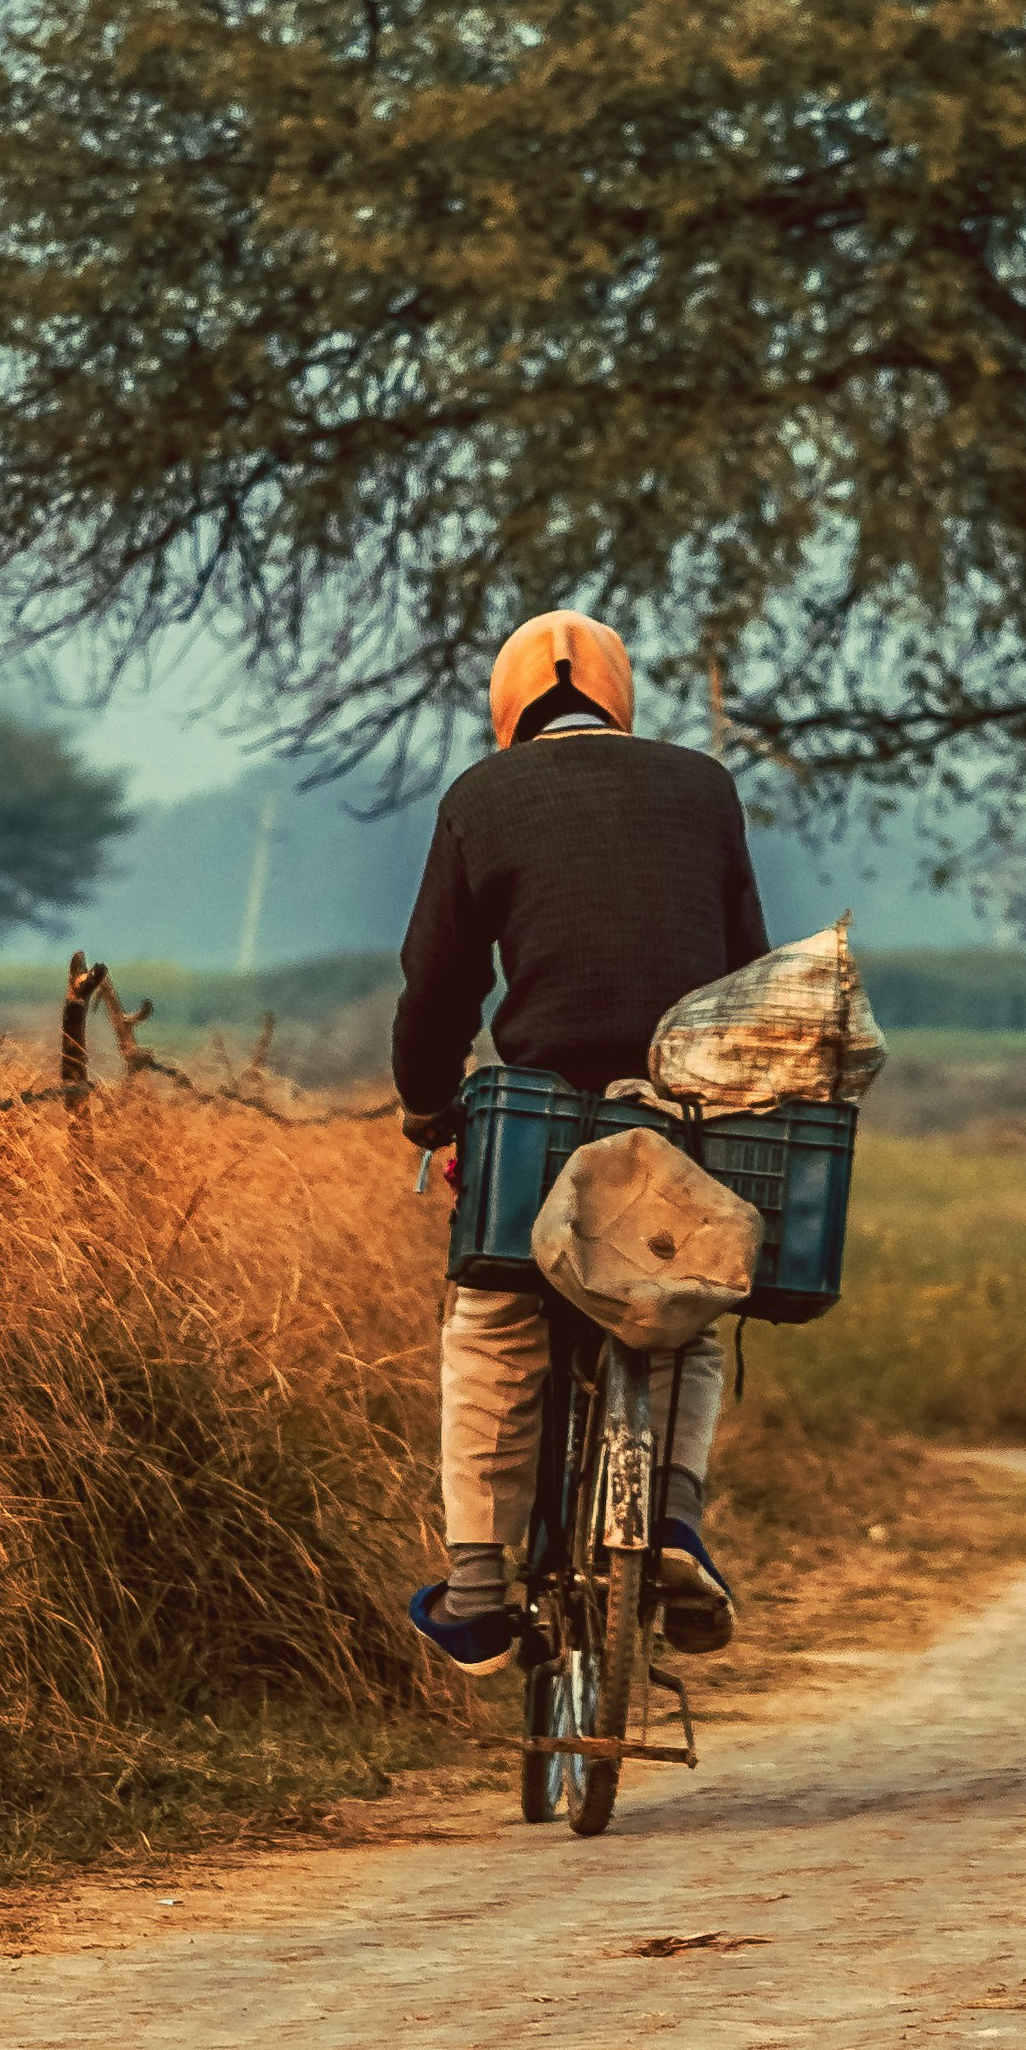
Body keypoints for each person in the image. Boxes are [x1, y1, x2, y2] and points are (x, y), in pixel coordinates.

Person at [393, 610, 766, 1675]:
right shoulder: (703, 788)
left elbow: (441, 985)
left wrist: (427, 1099)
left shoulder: (480, 797)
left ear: (512, 709)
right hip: (680, 1117)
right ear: (619, 697)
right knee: (687, 1314)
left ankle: (475, 1583)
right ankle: (678, 1522)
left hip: (538, 1120)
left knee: (494, 1320)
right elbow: (747, 966)